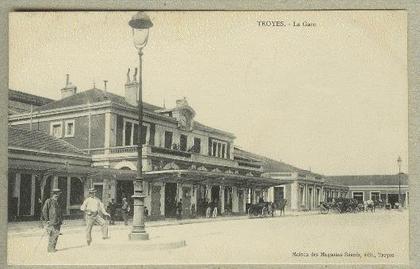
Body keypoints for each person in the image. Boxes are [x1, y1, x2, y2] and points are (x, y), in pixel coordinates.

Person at [42, 188, 63, 253]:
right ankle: (50, 249)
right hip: (52, 221)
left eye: (58, 194)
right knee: (52, 234)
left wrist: (61, 220)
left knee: (56, 234)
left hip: (58, 221)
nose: (57, 195)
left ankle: (53, 247)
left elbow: (59, 212)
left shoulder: (57, 202)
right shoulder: (49, 201)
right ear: (53, 194)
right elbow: (44, 211)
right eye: (55, 194)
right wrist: (47, 220)